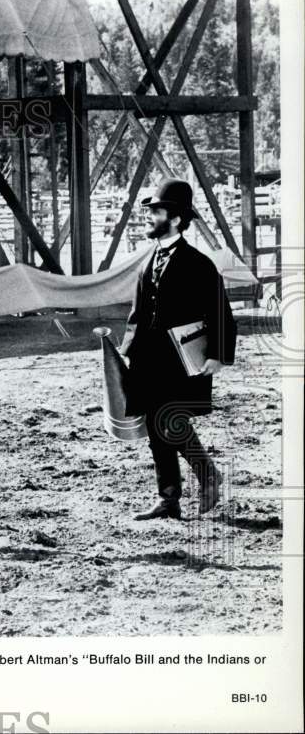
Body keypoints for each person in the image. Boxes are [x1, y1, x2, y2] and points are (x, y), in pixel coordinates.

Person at [118, 178, 236, 521]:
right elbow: (138, 314)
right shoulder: (146, 262)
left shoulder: (199, 264)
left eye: (155, 211)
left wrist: (218, 355)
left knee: (170, 423)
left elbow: (220, 313)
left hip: (182, 362)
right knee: (157, 429)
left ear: (175, 217)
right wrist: (126, 351)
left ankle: (208, 475)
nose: (147, 217)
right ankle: (169, 498)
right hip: (148, 362)